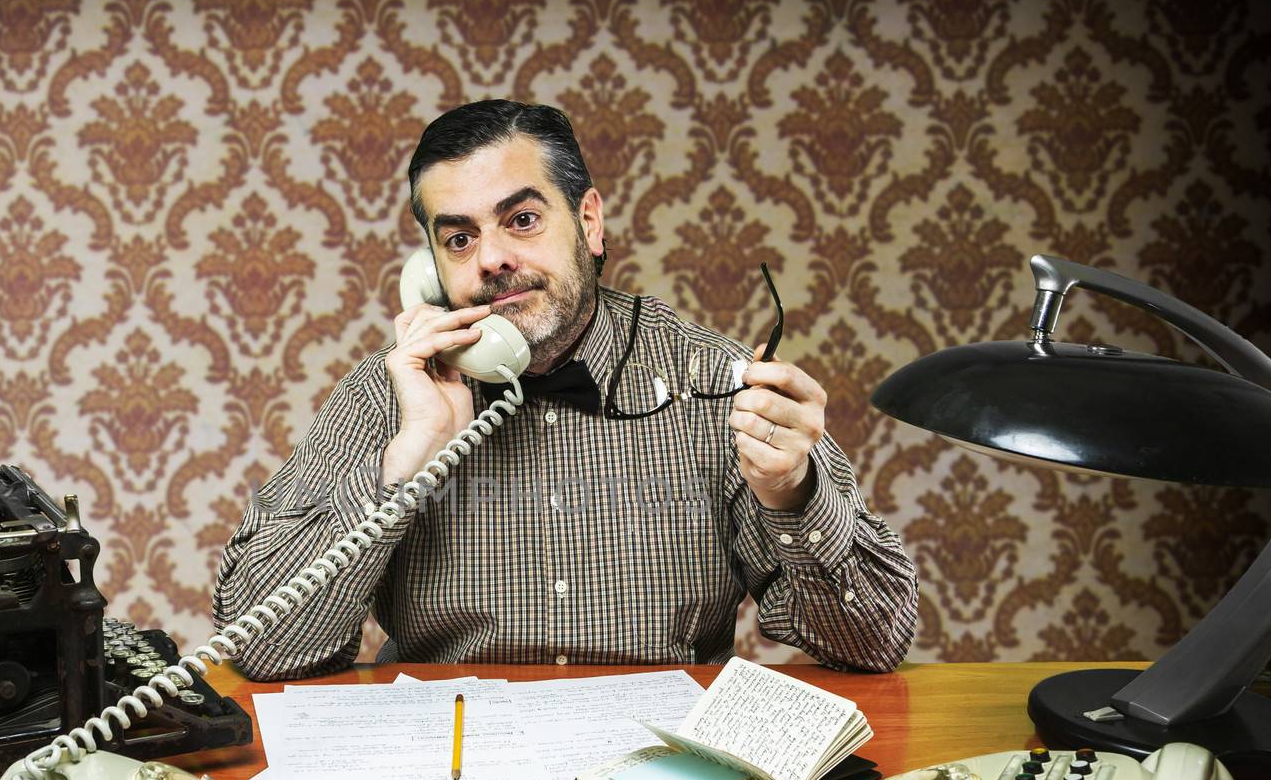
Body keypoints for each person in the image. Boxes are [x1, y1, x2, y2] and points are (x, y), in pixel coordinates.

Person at [214, 100, 918, 681]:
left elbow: (876, 642)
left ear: (589, 222)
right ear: (428, 267)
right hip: (449, 777)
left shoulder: (713, 382)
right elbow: (262, 649)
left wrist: (794, 493)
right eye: (458, 239)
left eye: (521, 220)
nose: (492, 258)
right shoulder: (394, 391)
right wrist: (408, 456)